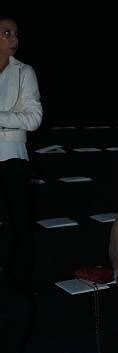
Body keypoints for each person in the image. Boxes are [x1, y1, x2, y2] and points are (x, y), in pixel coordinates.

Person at [0, 16, 42, 293]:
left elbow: (34, 118)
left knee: (17, 226)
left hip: (13, 157)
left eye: (16, 34)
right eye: (7, 33)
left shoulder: (24, 72)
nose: (15, 39)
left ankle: (18, 284)